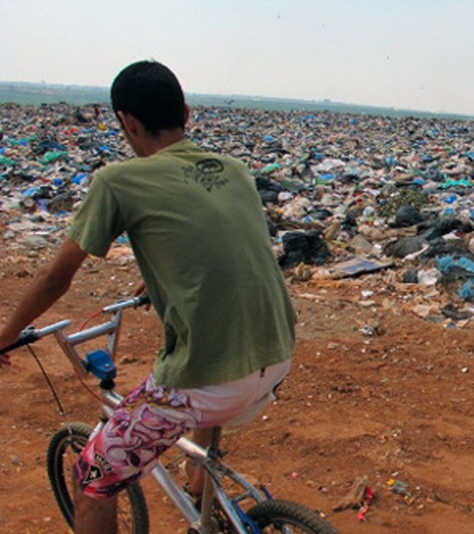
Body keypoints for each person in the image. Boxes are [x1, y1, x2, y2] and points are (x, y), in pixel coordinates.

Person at [0, 60, 296, 534]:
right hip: (277, 353)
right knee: (206, 395)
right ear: (186, 112)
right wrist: (157, 276)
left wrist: (7, 335)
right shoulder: (236, 170)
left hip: (211, 379)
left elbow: (56, 280)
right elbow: (217, 244)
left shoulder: (117, 181)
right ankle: (204, 499)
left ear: (128, 122)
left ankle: (199, 493)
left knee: (90, 479)